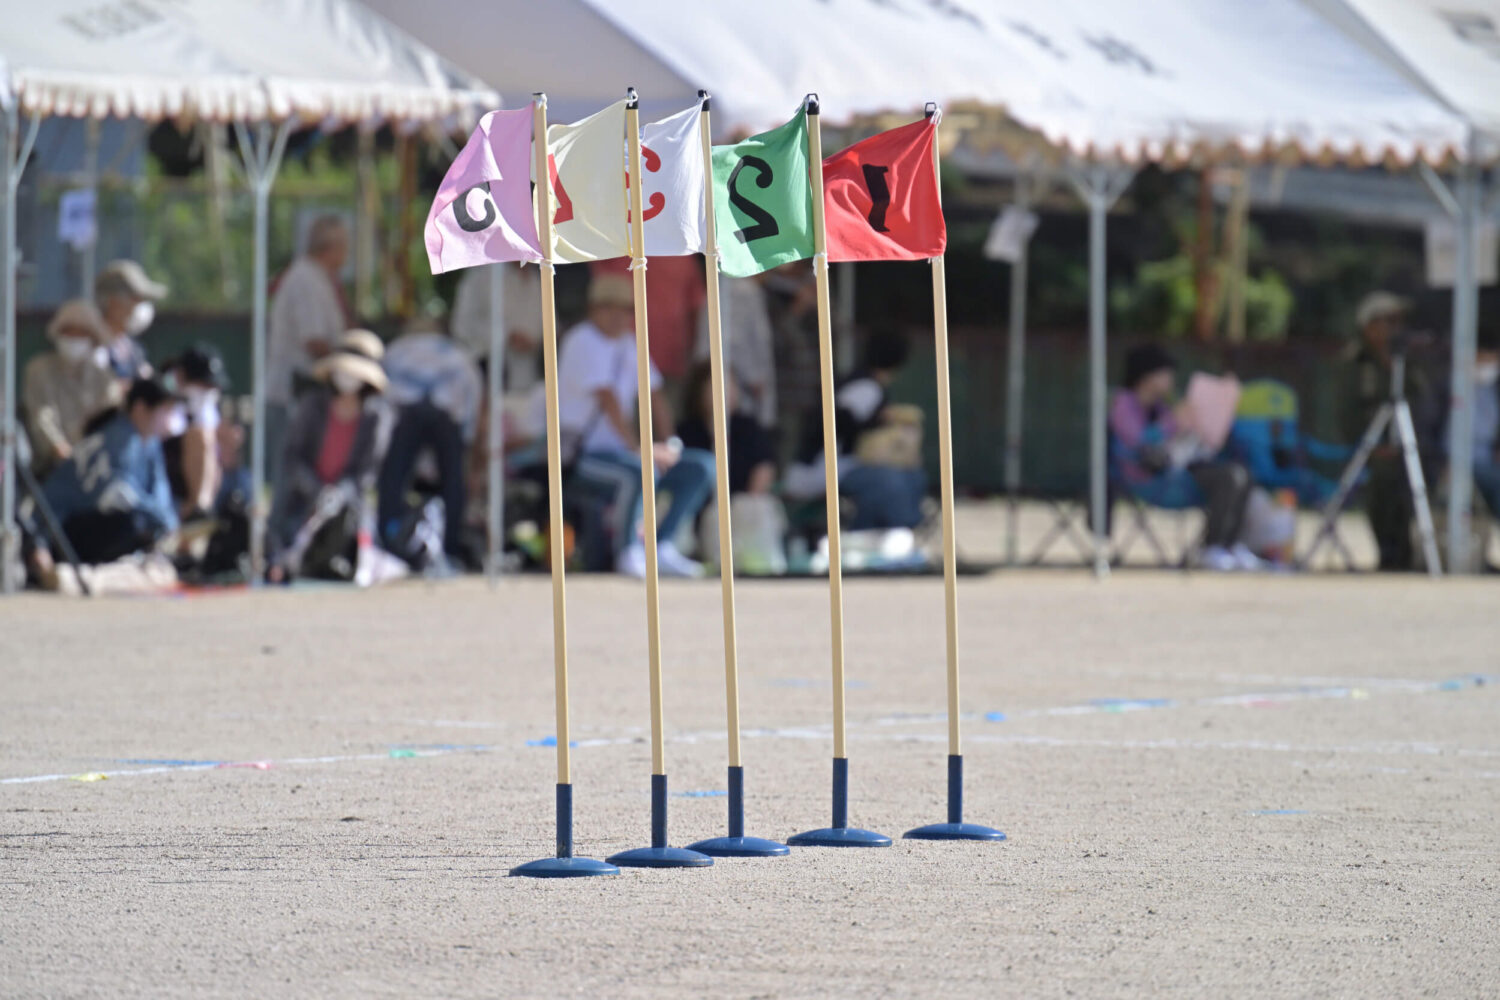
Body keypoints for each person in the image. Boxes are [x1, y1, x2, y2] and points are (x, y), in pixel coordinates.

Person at [555, 274, 714, 578]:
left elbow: (655, 395)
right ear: (593, 309)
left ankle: (662, 545)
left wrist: (670, 445)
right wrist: (642, 450)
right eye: (609, 307)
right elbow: (609, 401)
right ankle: (628, 551)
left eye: (625, 308)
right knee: (639, 470)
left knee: (702, 467)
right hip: (583, 456)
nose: (618, 315)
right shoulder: (581, 341)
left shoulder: (630, 344)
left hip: (624, 452)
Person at [1109, 344, 1258, 571]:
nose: (1171, 378)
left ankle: (1229, 545)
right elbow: (1137, 441)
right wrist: (1173, 423)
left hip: (1179, 469)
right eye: (1165, 372)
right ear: (1147, 375)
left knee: (1242, 474)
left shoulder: (1162, 405)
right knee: (1228, 478)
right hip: (1150, 477)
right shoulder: (1124, 403)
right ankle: (1211, 548)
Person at [267, 330, 385, 580]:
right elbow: (292, 456)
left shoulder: (374, 419)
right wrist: (315, 490)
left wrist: (340, 494)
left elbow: (366, 473)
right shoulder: (312, 406)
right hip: (300, 505)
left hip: (345, 511)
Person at [789, 328, 928, 531]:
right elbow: (841, 426)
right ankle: (870, 535)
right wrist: (879, 422)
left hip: (840, 466)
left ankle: (898, 534)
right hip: (821, 469)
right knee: (887, 481)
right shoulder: (865, 387)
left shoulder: (864, 384)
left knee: (912, 476)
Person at [38, 376, 181, 565]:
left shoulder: (150, 441)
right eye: (165, 409)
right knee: (133, 523)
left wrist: (170, 524)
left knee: (148, 523)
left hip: (91, 522)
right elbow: (118, 495)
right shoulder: (119, 437)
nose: (170, 416)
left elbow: (159, 493)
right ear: (140, 409)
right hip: (58, 531)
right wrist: (162, 521)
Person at [378, 319, 483, 571]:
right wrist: (466, 439)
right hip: (446, 417)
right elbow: (472, 395)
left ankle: (391, 540)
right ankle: (448, 546)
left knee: (394, 480)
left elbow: (380, 392)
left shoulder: (395, 350)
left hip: (406, 414)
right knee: (452, 484)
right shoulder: (459, 354)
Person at [1341, 291, 1426, 571]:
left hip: (1409, 445)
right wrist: (1370, 444)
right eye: (1388, 321)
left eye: (1397, 322)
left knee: (1413, 474)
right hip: (1367, 447)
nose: (1394, 328)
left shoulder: (1407, 361)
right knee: (1383, 477)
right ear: (1369, 326)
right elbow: (1346, 414)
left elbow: (1423, 401)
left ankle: (1411, 552)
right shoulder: (1355, 362)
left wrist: (1395, 368)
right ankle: (1390, 552)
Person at [266, 215, 350, 483]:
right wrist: (349, 368)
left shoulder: (317, 277)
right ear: (331, 248)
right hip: (294, 394)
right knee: (292, 478)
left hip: (304, 394)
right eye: (344, 246)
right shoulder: (306, 280)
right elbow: (314, 341)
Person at [22, 299, 121, 479]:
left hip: (96, 464)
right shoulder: (39, 369)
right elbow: (42, 417)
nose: (74, 338)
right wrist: (60, 449)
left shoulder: (104, 378)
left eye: (81, 333)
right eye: (68, 332)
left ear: (93, 339)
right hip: (50, 465)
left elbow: (109, 421)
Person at [678, 361, 777, 496]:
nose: (726, 392)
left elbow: (764, 465)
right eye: (717, 385)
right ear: (699, 390)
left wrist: (747, 502)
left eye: (731, 384)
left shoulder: (748, 428)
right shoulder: (686, 431)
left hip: (741, 506)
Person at [695, 272, 777, 429]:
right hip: (735, 379)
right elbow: (739, 339)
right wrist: (753, 376)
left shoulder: (724, 287)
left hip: (720, 375)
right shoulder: (744, 291)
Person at [450, 263, 543, 394]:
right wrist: (506, 336)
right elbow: (462, 325)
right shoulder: (481, 275)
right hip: (488, 379)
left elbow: (548, 322)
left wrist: (538, 340)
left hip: (530, 379)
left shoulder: (538, 275)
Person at [162, 345, 229, 519]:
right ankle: (197, 511)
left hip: (191, 493)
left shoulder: (207, 413)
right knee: (199, 436)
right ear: (182, 377)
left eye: (211, 386)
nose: (208, 391)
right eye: (203, 384)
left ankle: (200, 512)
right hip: (165, 487)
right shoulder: (165, 403)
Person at [94, 260, 167, 382]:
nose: (140, 306)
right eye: (135, 298)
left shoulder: (133, 349)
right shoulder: (92, 345)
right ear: (112, 301)